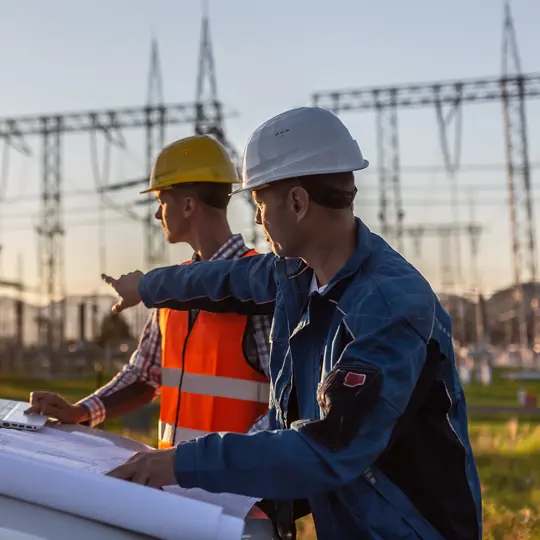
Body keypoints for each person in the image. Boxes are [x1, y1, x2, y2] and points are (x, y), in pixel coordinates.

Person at [102, 108, 483, 539]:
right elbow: (221, 278)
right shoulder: (298, 275)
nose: (258, 219)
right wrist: (145, 286)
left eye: (260, 203)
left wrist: (177, 463)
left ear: (298, 203)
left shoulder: (389, 308)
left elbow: (327, 446)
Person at [25, 134, 273, 449]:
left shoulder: (258, 293)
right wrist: (82, 411)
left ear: (186, 206)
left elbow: (285, 402)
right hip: (174, 485)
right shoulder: (170, 291)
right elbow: (145, 376)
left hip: (237, 491)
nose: (157, 216)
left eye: (161, 202)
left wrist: (237, 469)